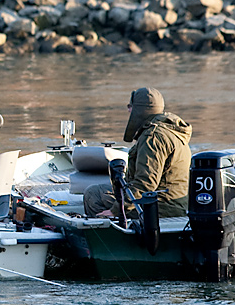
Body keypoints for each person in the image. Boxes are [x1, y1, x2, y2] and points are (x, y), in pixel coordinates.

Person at [82, 87, 192, 219]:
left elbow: (145, 184)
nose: (128, 110)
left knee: (93, 195)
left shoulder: (153, 137)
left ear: (141, 109)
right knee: (102, 190)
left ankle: (110, 236)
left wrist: (115, 210)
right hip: (173, 201)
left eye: (130, 107)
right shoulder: (169, 129)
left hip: (162, 206)